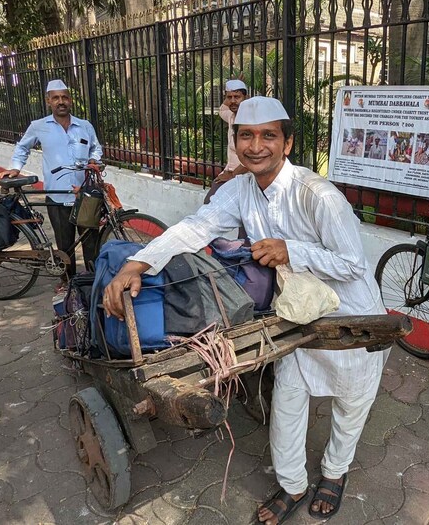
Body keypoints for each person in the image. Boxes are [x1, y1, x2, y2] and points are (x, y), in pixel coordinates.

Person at [101, 97, 389, 524]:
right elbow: (195, 227)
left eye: (268, 135)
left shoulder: (318, 195)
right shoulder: (239, 190)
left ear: (287, 143)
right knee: (289, 397)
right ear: (235, 142)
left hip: (349, 312)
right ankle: (292, 484)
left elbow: (352, 263)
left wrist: (291, 249)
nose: (256, 146)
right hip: (292, 314)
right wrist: (137, 263)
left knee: (351, 400)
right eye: (246, 136)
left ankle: (334, 473)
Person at [0, 79, 103, 279]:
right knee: (65, 245)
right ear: (48, 101)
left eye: (64, 97)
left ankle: (93, 280)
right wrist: (15, 168)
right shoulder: (39, 126)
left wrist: (93, 158)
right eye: (56, 98)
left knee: (91, 241)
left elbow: (96, 147)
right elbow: (22, 147)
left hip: (85, 194)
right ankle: (69, 282)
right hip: (57, 194)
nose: (60, 101)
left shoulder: (84, 126)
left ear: (70, 100)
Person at [205, 79, 250, 204]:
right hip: (230, 171)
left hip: (244, 176)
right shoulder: (231, 116)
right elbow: (222, 108)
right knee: (210, 202)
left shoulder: (249, 120)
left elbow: (251, 156)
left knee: (212, 203)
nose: (233, 100)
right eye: (229, 97)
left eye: (237, 97)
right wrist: (236, 84)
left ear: (246, 98)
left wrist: (232, 175)